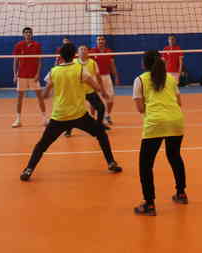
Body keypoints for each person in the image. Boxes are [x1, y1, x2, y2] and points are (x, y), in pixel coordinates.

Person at [20, 43, 122, 181]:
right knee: (101, 134)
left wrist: (53, 90)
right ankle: (111, 162)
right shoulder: (80, 69)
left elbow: (45, 95)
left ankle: (28, 169)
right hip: (79, 116)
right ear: (74, 55)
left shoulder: (54, 71)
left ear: (61, 56)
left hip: (59, 117)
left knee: (42, 145)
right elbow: (96, 87)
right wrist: (102, 92)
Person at [133, 51, 187, 216]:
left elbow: (140, 108)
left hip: (155, 123)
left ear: (144, 63)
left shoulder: (140, 80)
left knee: (145, 165)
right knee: (174, 156)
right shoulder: (170, 78)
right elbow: (179, 102)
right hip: (176, 120)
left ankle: (149, 204)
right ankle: (181, 193)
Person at [65, 45, 107, 137]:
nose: (83, 51)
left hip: (89, 91)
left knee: (101, 108)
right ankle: (68, 130)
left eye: (85, 49)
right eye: (81, 49)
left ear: (88, 52)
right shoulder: (73, 62)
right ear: (77, 53)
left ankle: (98, 127)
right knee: (72, 111)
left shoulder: (93, 63)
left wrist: (102, 90)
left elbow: (98, 77)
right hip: (76, 92)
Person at [12, 27, 46, 128]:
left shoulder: (37, 45)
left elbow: (39, 61)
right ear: (23, 34)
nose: (28, 34)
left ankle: (45, 119)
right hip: (21, 75)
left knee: (40, 97)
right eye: (26, 32)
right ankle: (18, 120)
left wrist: (38, 74)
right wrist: (15, 74)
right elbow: (15, 61)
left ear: (32, 34)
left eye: (29, 32)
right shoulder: (19, 45)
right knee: (19, 98)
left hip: (33, 76)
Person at [91, 35, 119, 126]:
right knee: (95, 99)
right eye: (99, 39)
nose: (100, 41)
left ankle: (107, 115)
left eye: (102, 39)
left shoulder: (109, 51)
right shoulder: (92, 51)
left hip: (107, 77)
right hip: (96, 77)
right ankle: (93, 118)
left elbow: (112, 65)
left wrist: (116, 76)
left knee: (110, 98)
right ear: (96, 41)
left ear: (105, 41)